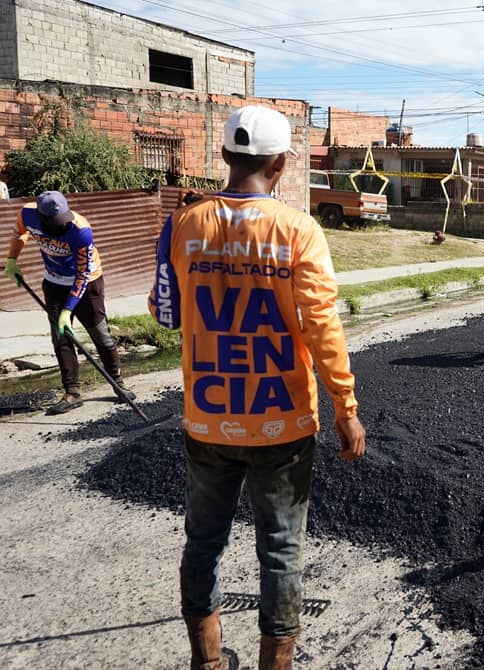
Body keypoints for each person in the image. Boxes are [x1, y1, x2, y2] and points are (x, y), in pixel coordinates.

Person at [148, 105, 366, 670]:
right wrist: (345, 407)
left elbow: (165, 314)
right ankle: (277, 662)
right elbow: (322, 326)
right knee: (281, 549)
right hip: (282, 423)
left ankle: (207, 660)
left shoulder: (183, 223)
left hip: (208, 419)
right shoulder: (298, 230)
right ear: (280, 163)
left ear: (224, 155)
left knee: (203, 542)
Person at [5, 191, 134, 414]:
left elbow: (83, 274)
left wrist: (67, 310)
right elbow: (19, 233)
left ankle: (117, 382)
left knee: (100, 333)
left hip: (88, 282)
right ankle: (72, 392)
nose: (63, 224)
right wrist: (11, 260)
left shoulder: (80, 230)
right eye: (56, 221)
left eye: (64, 218)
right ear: (43, 218)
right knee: (61, 336)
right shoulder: (27, 214)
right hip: (54, 282)